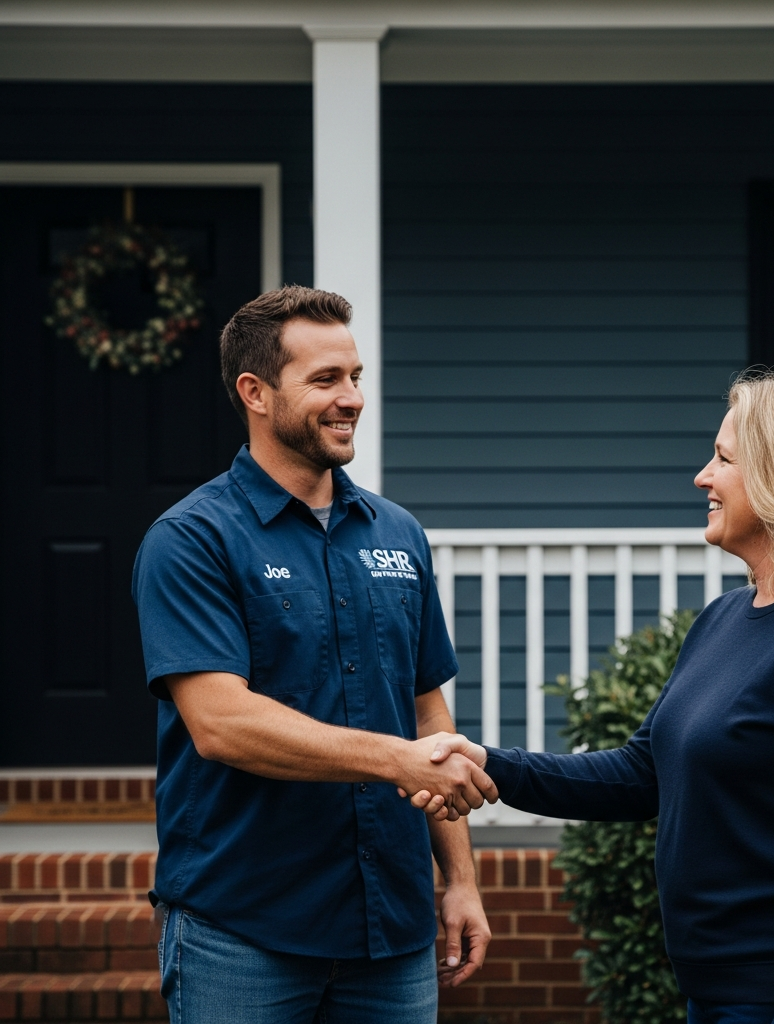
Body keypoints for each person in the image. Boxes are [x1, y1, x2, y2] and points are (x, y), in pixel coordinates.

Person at [420, 372, 774, 1024]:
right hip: (723, 989)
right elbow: (643, 774)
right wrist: (489, 765)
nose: (702, 477)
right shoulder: (724, 618)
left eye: (723, 458)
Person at [132, 285, 497, 1024]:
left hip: (391, 929)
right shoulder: (192, 540)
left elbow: (428, 714)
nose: (351, 398)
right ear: (255, 392)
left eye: (355, 376)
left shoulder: (398, 533)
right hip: (244, 931)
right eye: (325, 379)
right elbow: (222, 724)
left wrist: (460, 878)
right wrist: (393, 760)